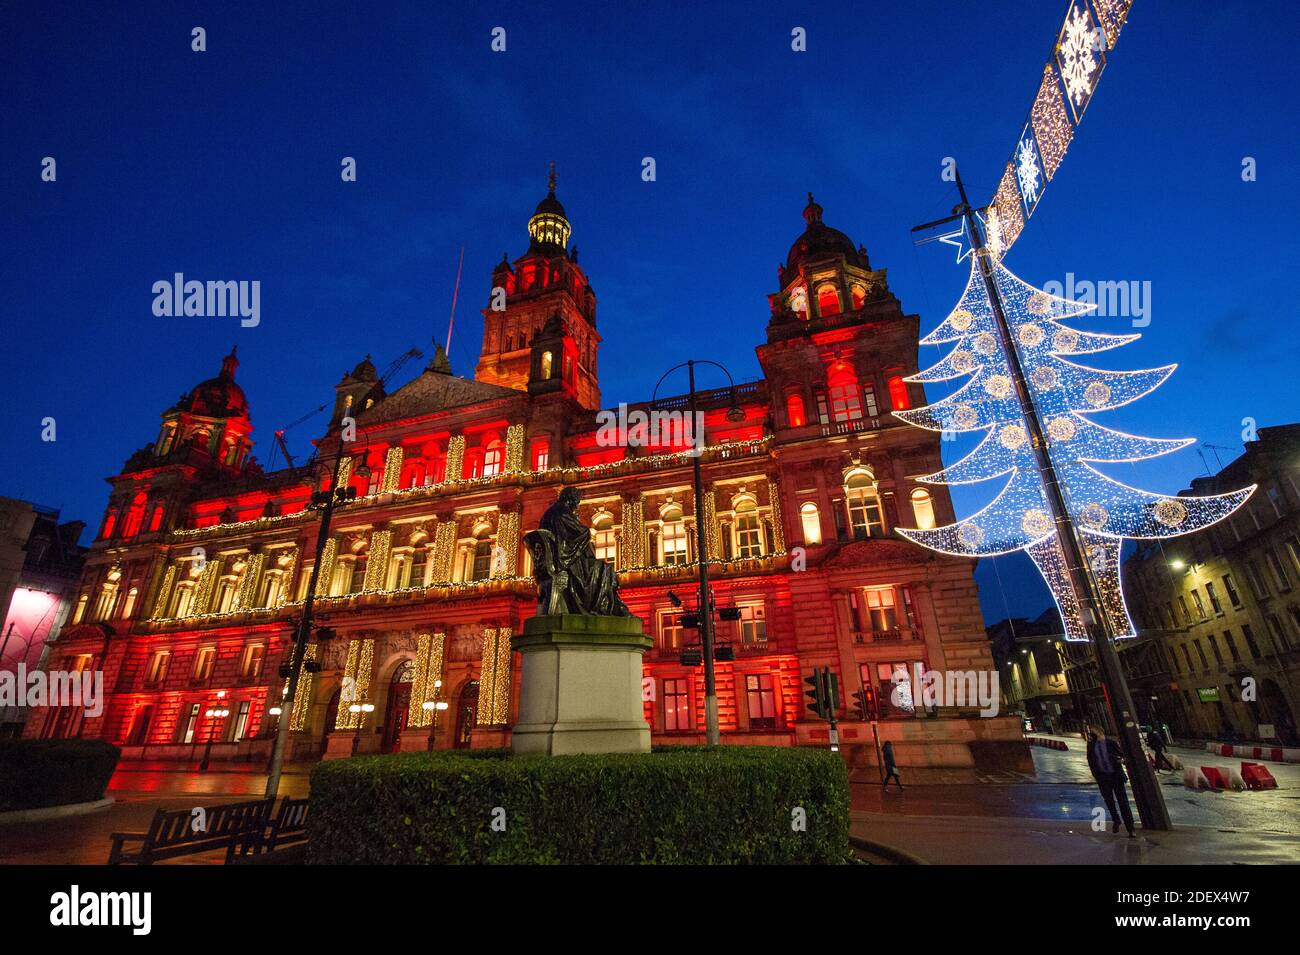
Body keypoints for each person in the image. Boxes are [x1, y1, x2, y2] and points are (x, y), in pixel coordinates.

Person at [1086, 725, 1135, 837]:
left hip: (1115, 776)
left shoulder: (1111, 743)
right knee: (1109, 801)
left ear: (1099, 732)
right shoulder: (1091, 745)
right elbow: (1091, 761)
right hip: (1103, 778)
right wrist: (1096, 775)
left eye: (1093, 732)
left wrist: (1121, 760)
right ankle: (1116, 820)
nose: (1091, 734)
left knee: (1123, 802)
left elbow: (1122, 755)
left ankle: (1130, 827)